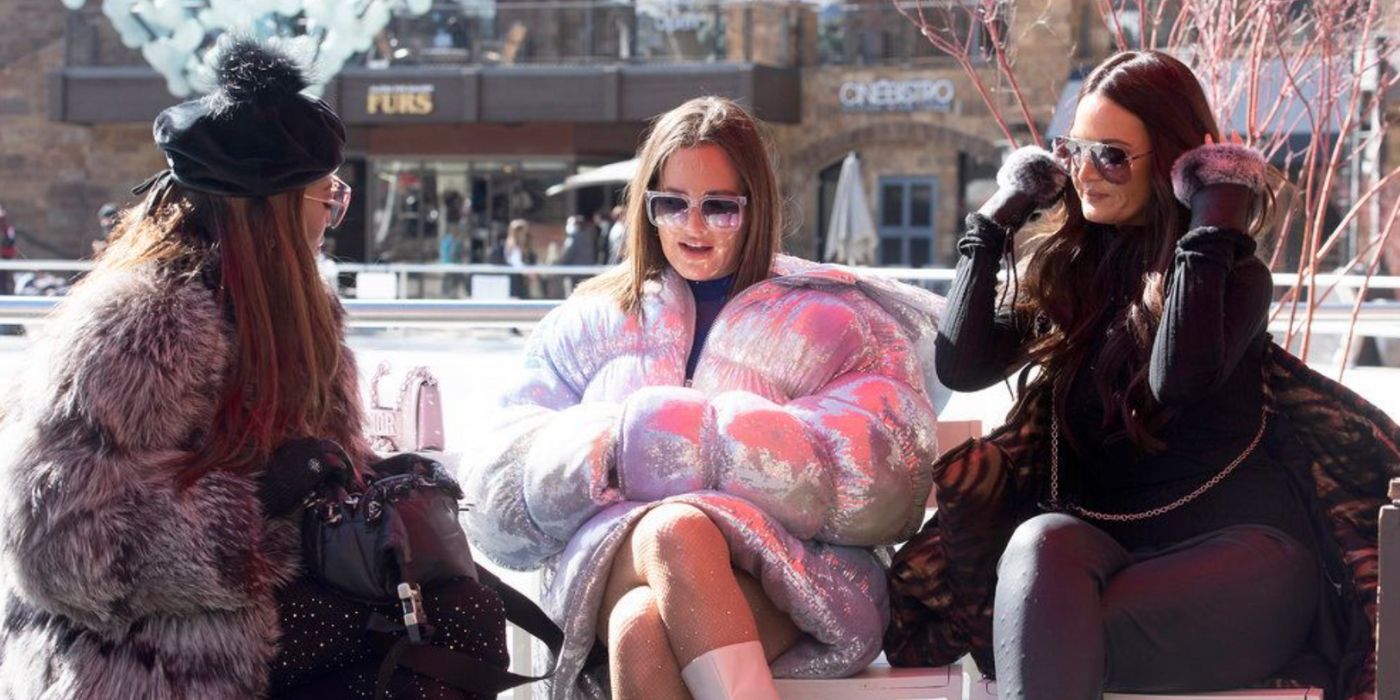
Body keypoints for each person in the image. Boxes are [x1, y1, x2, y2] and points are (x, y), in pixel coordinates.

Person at [884, 50, 1397, 699]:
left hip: (1243, 566)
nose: (1085, 173)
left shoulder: (1231, 278)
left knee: (1041, 630)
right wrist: (996, 218)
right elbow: (962, 362)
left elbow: (1177, 377)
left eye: (1113, 155)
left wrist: (1214, 219)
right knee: (1039, 546)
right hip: (1095, 565)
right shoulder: (1068, 279)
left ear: (1179, 163)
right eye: (1074, 151)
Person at [0, 38, 500, 699]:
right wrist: (259, 506)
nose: (333, 216)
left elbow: (315, 472)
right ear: (274, 208)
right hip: (144, 654)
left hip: (256, 612)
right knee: (444, 635)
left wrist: (375, 485)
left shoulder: (297, 310)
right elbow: (57, 543)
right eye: (328, 196)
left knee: (464, 610)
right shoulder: (144, 320)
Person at [462, 96, 943, 700]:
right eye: (672, 204)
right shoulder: (586, 322)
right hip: (608, 564)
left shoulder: (832, 319)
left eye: (718, 207)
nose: (692, 225)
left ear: (755, 207)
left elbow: (885, 476)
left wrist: (674, 448)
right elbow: (494, 495)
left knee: (641, 627)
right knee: (674, 532)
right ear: (647, 208)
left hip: (780, 578)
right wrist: (616, 450)